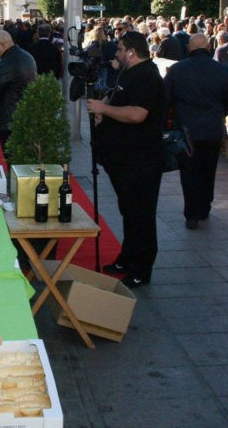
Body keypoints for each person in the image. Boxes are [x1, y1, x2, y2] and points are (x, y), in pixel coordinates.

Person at [86, 31, 166, 288]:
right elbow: (120, 100)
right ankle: (127, 258)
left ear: (131, 51)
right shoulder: (130, 73)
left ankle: (141, 268)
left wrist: (103, 109)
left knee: (141, 214)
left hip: (140, 161)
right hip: (123, 159)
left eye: (120, 49)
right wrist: (107, 110)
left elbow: (137, 114)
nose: (116, 54)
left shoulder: (147, 76)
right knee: (129, 212)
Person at [163, 34, 228, 230]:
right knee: (209, 169)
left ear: (189, 48)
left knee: (189, 172)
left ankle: (191, 214)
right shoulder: (222, 70)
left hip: (186, 130)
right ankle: (205, 206)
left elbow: (165, 99)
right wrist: (219, 114)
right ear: (208, 47)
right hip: (213, 128)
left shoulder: (177, 69)